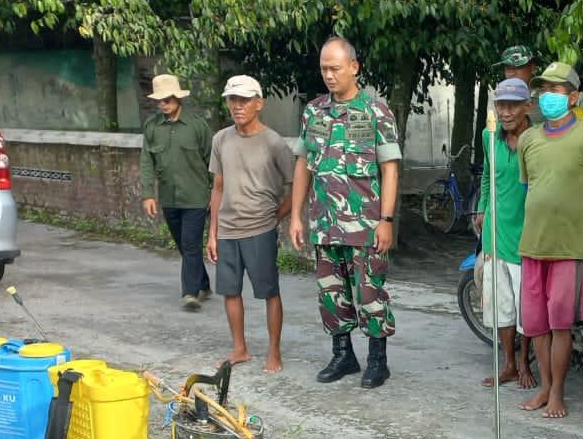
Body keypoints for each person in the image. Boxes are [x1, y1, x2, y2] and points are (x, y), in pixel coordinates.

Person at [291, 36, 403, 388]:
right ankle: (343, 355)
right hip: (325, 222)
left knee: (370, 293)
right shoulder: (314, 111)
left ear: (354, 67)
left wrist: (386, 221)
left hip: (366, 224)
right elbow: (303, 165)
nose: (328, 75)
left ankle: (377, 360)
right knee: (330, 291)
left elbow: (390, 169)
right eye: (323, 68)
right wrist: (296, 215)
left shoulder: (376, 111)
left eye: (335, 68)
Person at [517, 60, 583, 419]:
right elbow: (525, 191)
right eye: (543, 89)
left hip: (569, 248)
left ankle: (558, 393)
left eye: (555, 89)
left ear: (573, 96)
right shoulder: (529, 139)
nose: (547, 95)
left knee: (560, 324)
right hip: (532, 246)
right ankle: (545, 388)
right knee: (536, 326)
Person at [207, 75, 293, 373]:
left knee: (269, 291)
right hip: (228, 229)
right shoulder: (221, 139)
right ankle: (240, 349)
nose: (237, 106)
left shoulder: (274, 143)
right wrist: (213, 233)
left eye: (244, 100)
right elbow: (218, 188)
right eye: (232, 100)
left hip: (260, 229)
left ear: (259, 103)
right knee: (230, 291)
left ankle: (274, 351)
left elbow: (298, 185)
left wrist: (278, 215)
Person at [474, 77, 535, 389]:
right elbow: (488, 174)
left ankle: (525, 361)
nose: (506, 111)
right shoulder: (489, 136)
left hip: (528, 235)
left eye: (513, 105)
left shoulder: (537, 138)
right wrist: (482, 209)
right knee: (502, 306)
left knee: (527, 309)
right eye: (501, 105)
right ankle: (509, 363)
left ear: (527, 106)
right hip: (495, 233)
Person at [139, 73, 214, 310]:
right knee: (184, 244)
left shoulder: (197, 126)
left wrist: (215, 193)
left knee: (191, 243)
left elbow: (212, 159)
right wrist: (148, 193)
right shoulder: (152, 127)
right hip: (169, 196)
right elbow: (147, 161)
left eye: (168, 99)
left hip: (196, 195)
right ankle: (203, 283)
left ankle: (190, 293)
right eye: (159, 100)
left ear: (177, 98)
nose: (163, 104)